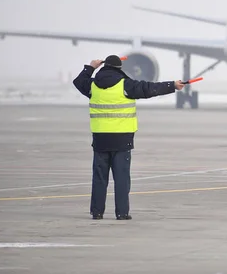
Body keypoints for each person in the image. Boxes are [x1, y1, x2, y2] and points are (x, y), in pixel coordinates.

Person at [72, 54, 184, 220]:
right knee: (122, 179)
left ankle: (97, 212)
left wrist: (90, 67)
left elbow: (78, 82)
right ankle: (122, 213)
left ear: (104, 67)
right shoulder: (126, 85)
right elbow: (150, 89)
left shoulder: (93, 86)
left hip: (100, 140)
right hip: (122, 141)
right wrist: (172, 85)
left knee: (99, 179)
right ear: (119, 69)